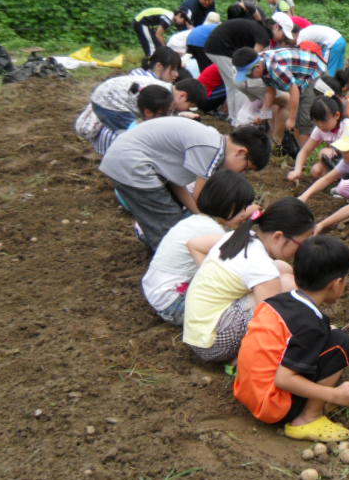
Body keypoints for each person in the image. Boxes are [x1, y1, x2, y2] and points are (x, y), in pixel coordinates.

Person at [234, 235, 349, 441]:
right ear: (337, 283)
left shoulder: (276, 300)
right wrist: (333, 395)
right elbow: (283, 379)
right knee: (341, 344)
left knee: (329, 334)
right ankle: (308, 418)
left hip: (248, 390)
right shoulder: (311, 325)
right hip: (272, 407)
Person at [98, 118, 271, 250]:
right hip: (133, 165)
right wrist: (225, 220)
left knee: (174, 218)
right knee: (170, 227)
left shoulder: (211, 141)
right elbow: (201, 199)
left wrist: (201, 217)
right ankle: (169, 265)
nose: (241, 173)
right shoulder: (211, 149)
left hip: (126, 160)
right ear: (241, 152)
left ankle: (157, 244)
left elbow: (177, 186)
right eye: (246, 168)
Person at [183, 198, 314, 363]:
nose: (301, 250)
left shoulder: (241, 236)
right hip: (213, 345)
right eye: (301, 243)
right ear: (278, 237)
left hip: (198, 330)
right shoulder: (261, 266)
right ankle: (244, 356)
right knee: (287, 287)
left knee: (282, 268)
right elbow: (267, 325)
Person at [141, 170, 256, 324]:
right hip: (174, 304)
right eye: (241, 208)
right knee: (244, 299)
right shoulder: (212, 231)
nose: (244, 214)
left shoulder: (196, 220)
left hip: (157, 292)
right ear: (226, 205)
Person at [232, 45, 326, 147]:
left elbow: (294, 92)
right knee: (295, 114)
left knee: (301, 121)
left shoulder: (275, 68)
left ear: (258, 67)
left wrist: (292, 119)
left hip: (315, 73)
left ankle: (307, 156)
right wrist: (263, 114)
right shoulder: (261, 62)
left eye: (248, 75)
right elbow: (270, 90)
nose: (248, 77)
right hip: (300, 75)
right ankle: (293, 147)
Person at [203, 18, 271, 126]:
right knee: (240, 85)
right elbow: (254, 59)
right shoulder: (263, 35)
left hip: (213, 48)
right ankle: (239, 121)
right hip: (220, 49)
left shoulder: (256, 27)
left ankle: (233, 118)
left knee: (231, 85)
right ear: (275, 28)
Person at [288, 97, 349, 185]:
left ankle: (348, 179)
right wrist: (297, 170)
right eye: (316, 122)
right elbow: (305, 151)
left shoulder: (348, 126)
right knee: (316, 171)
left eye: (324, 121)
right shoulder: (319, 130)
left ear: (336, 115)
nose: (320, 125)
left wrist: (334, 150)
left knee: (325, 153)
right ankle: (338, 180)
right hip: (340, 162)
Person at [298, 121, 349, 203]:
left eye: (347, 149)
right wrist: (305, 196)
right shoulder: (348, 162)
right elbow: (327, 179)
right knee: (342, 187)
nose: (342, 152)